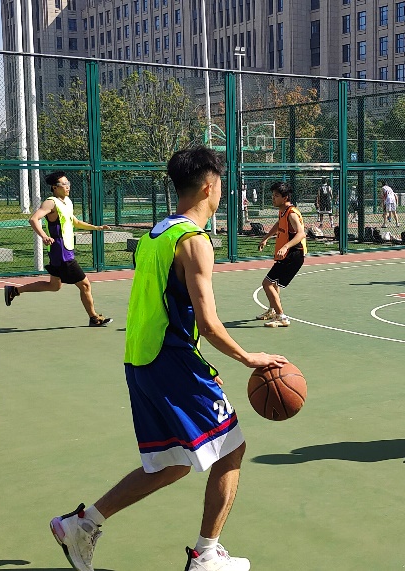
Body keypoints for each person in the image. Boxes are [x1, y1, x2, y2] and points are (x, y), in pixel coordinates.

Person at [49, 146, 288, 571]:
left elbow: (162, 307)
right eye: (221, 185)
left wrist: (199, 364)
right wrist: (249, 357)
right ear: (209, 186)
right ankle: (206, 556)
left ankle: (82, 525)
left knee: (174, 461)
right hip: (171, 360)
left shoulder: (155, 235)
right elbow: (209, 324)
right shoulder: (194, 242)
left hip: (140, 362)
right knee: (231, 448)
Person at [4, 172, 113, 327]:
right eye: (64, 184)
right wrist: (44, 236)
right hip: (62, 254)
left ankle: (14, 290)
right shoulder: (51, 203)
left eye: (68, 183)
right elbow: (33, 219)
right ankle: (94, 318)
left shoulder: (67, 202)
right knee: (85, 285)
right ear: (55, 187)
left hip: (62, 251)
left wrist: (96, 227)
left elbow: (75, 221)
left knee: (54, 286)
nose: (68, 186)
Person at [255, 182, 307, 328]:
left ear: (285, 198)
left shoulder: (291, 213)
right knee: (274, 283)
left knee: (267, 284)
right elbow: (279, 225)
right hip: (288, 255)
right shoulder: (283, 211)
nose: (273, 198)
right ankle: (273, 310)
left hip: (293, 255)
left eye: (276, 196)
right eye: (273, 195)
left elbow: (301, 234)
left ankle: (281, 317)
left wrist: (285, 247)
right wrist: (266, 238)